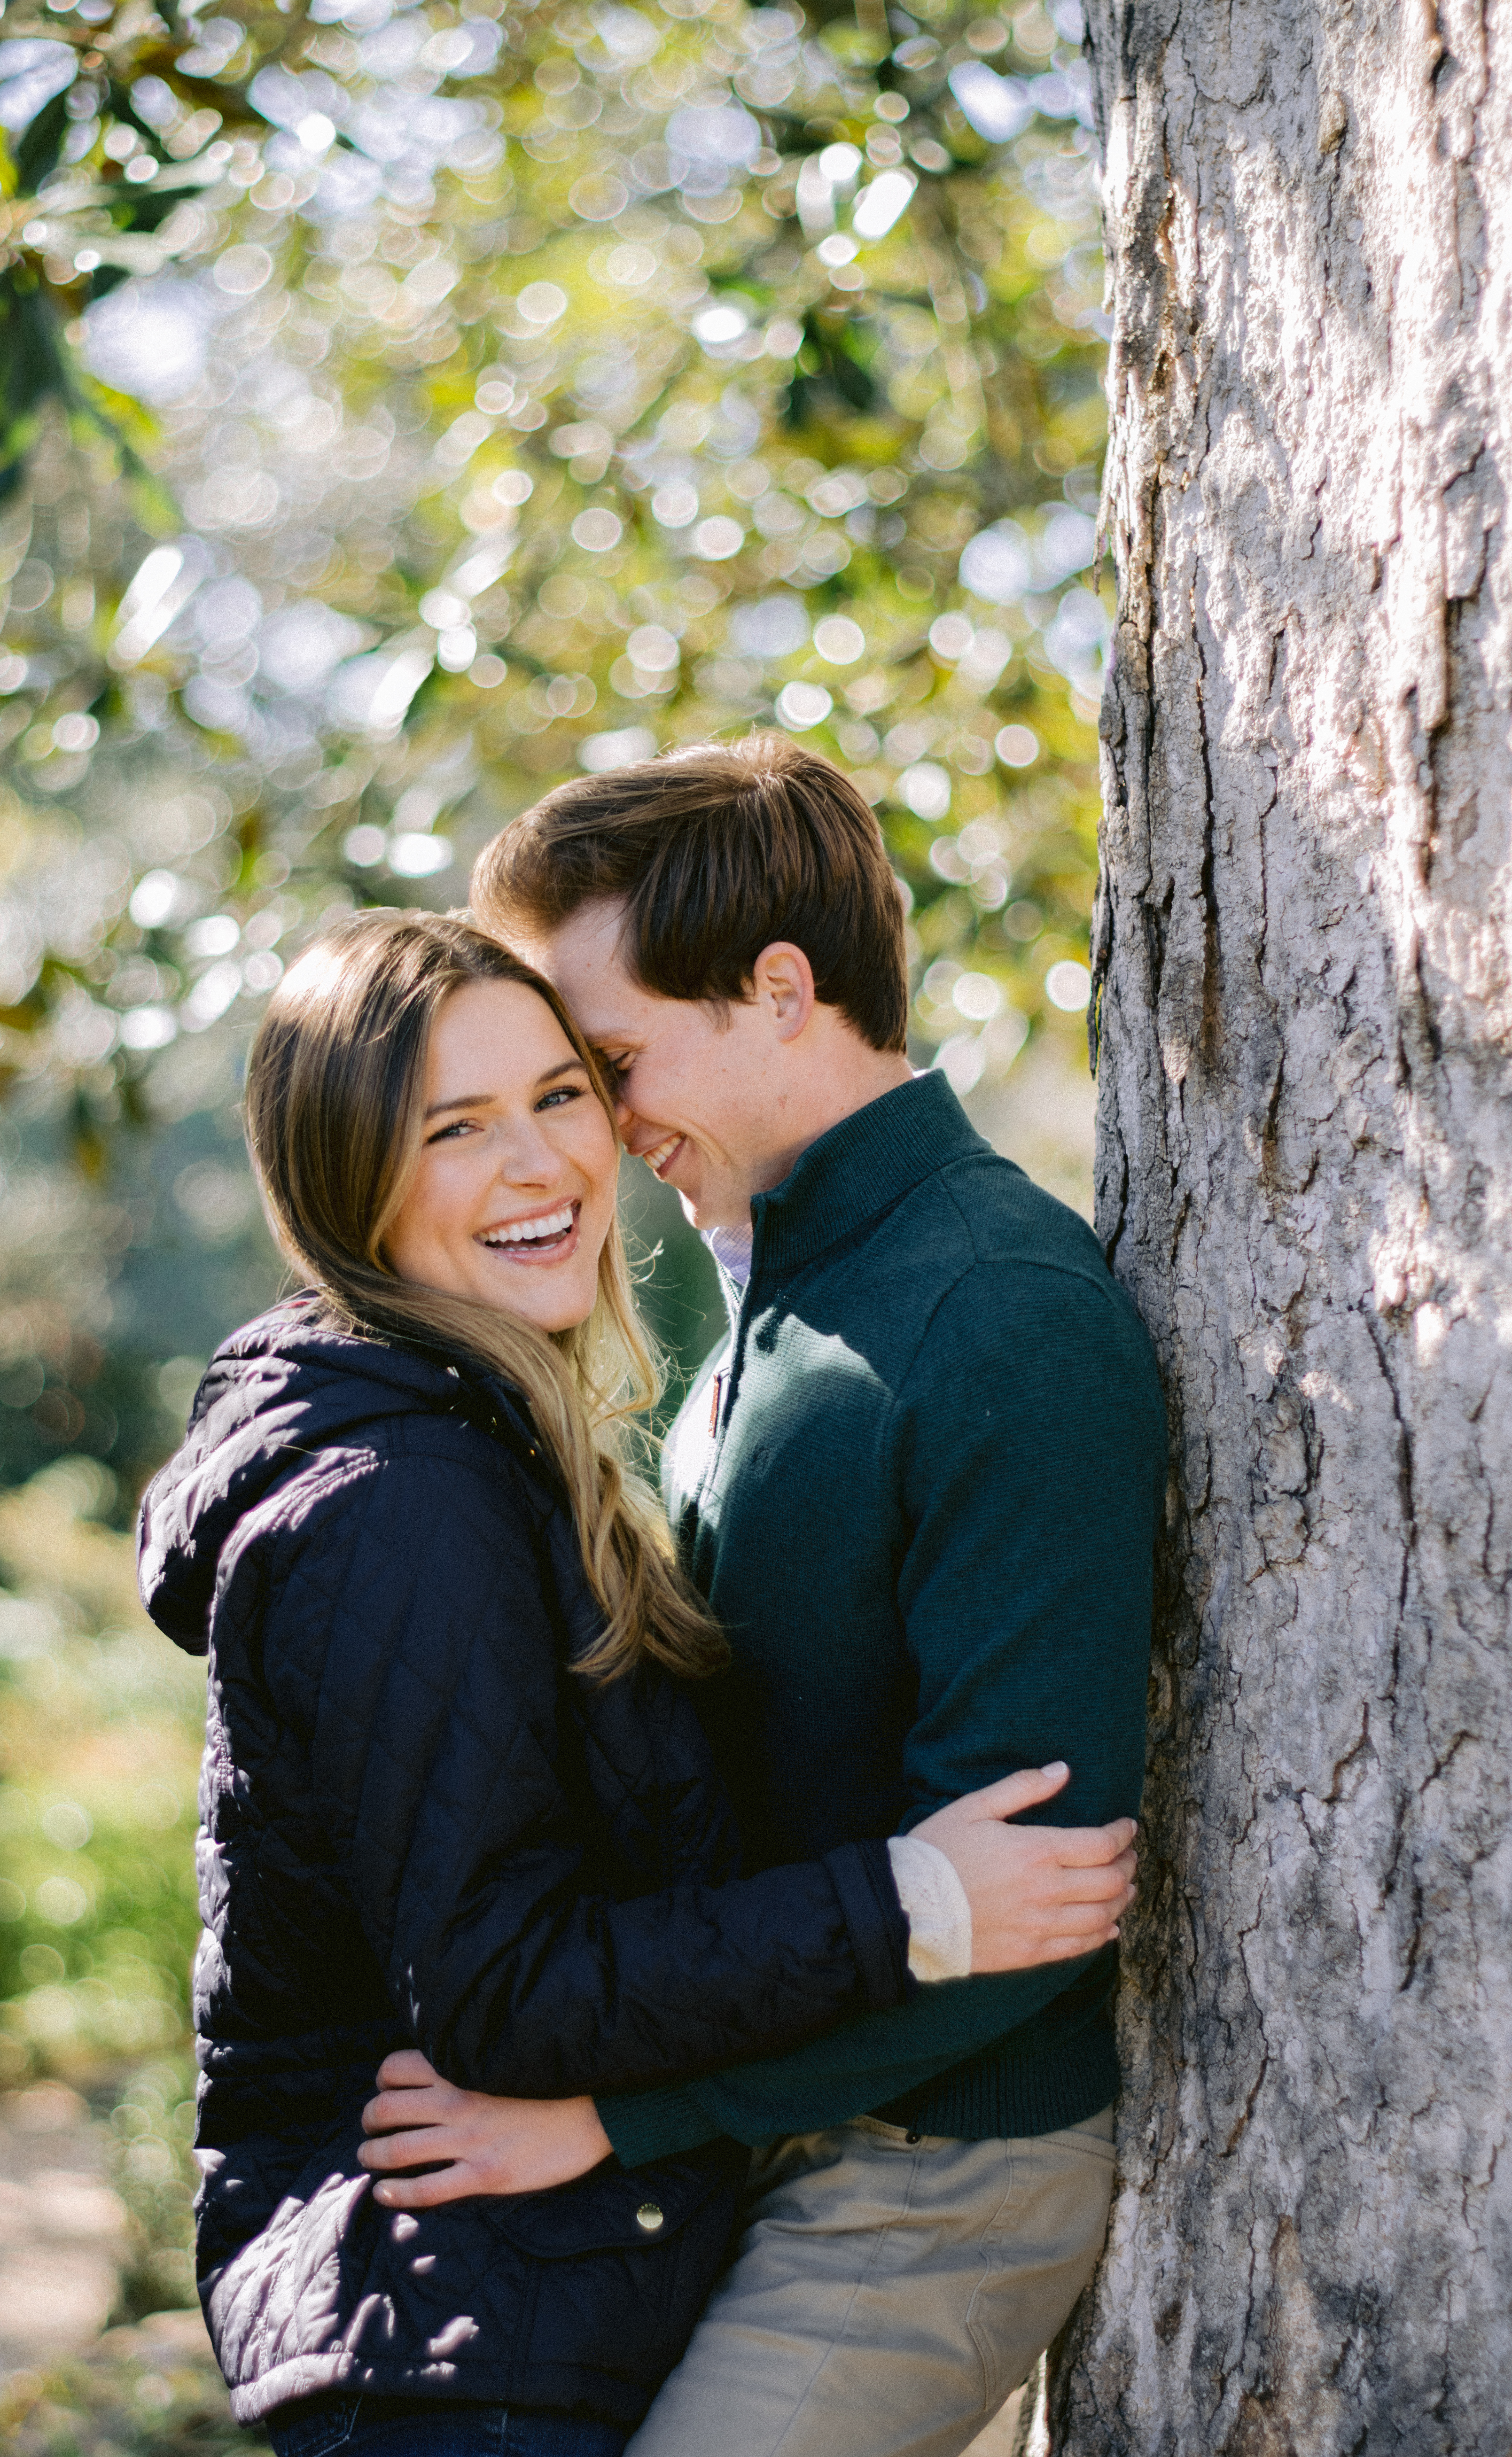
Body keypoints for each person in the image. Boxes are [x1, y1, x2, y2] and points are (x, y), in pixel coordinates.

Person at [136, 908, 1138, 2457]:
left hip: (505, 2294)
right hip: (451, 2315)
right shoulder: (404, 1496)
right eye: (455, 1128)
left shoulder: (487, 1431)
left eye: (562, 1092)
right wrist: (912, 1904)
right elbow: (500, 1989)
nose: (542, 1162)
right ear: (347, 1178)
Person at [358, 738, 1166, 2457]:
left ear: (780, 991)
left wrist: (618, 2112)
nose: (598, 1121)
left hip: (939, 2169)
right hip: (752, 2129)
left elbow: (1038, 1889)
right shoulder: (778, 1287)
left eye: (612, 1061)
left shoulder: (996, 1309)